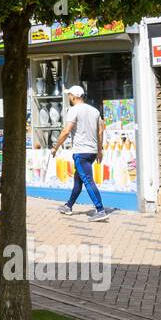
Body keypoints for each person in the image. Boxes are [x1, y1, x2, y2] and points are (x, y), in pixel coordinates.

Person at [53, 85, 109, 222]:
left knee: (88, 181)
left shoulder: (73, 110)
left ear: (73, 96)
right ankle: (69, 206)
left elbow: (66, 131)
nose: (68, 97)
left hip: (81, 152)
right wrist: (99, 151)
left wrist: (56, 147)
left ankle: (100, 210)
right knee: (78, 180)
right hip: (91, 152)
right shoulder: (95, 111)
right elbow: (100, 131)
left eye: (69, 95)